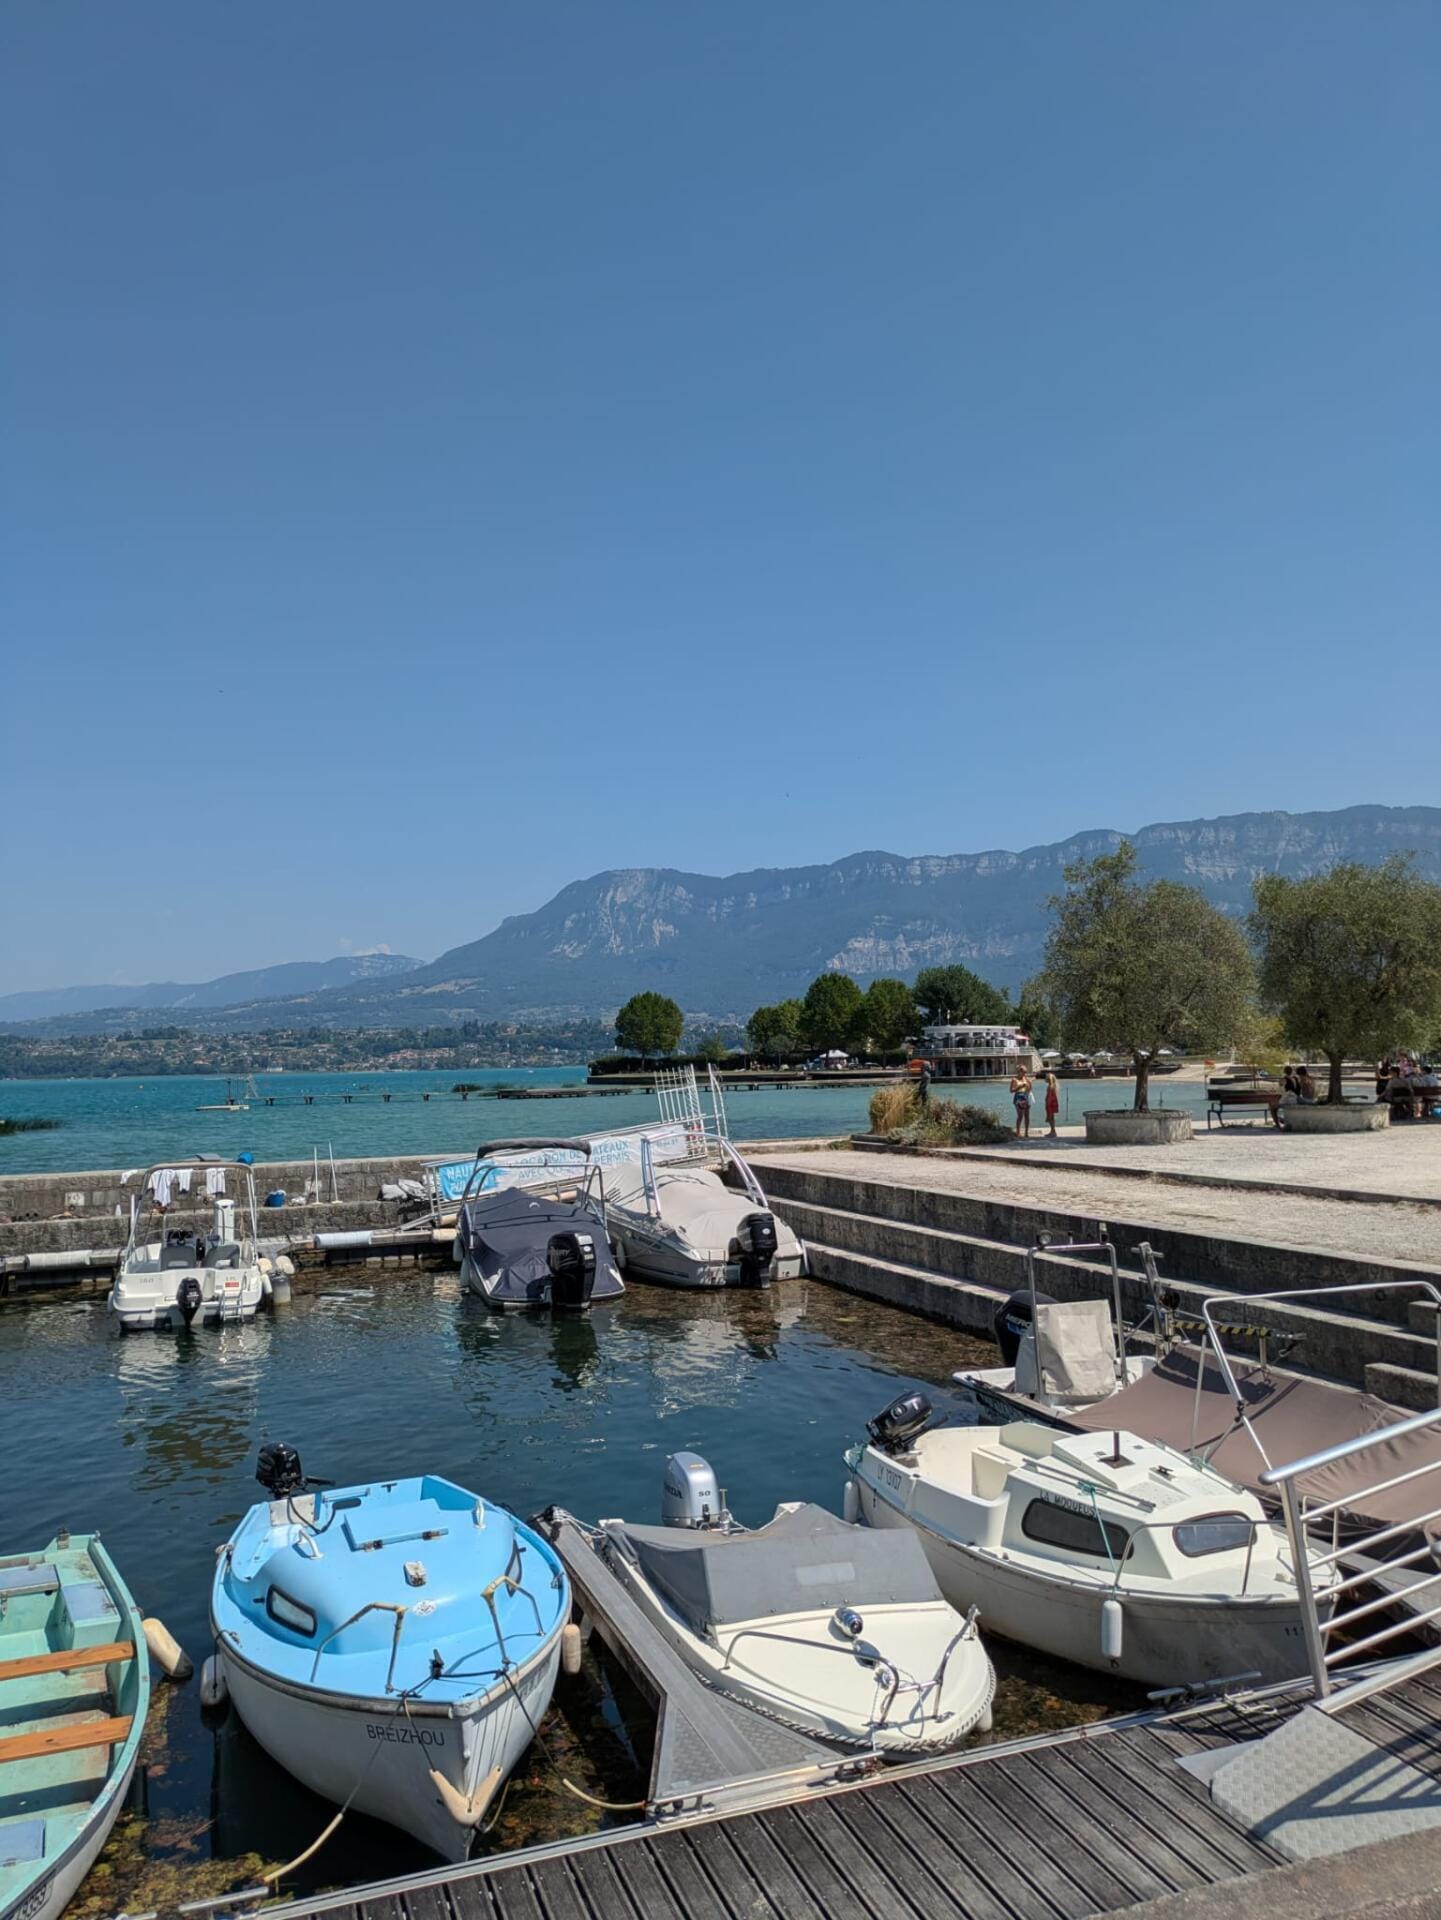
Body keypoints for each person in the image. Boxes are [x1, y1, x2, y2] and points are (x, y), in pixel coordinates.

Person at [1010, 1068, 1033, 1138]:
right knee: (1020, 1116)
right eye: (1023, 1072)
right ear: (1019, 1072)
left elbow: (1029, 1089)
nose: (1024, 1074)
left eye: (1025, 1072)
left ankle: (1026, 1132)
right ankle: (1018, 1132)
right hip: (1018, 1097)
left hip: (1026, 1096)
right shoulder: (1014, 1079)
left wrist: (1030, 1084)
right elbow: (1011, 1090)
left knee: (1027, 1115)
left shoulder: (1026, 1079)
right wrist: (1019, 1087)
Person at [1042, 1069, 1060, 1138]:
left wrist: (1047, 1104)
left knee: (1050, 1118)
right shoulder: (1054, 1086)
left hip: (1050, 1104)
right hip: (1053, 1103)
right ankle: (1053, 1131)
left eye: (1046, 1078)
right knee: (1052, 1117)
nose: (1045, 1079)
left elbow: (1049, 1097)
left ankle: (1053, 1131)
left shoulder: (1050, 1087)